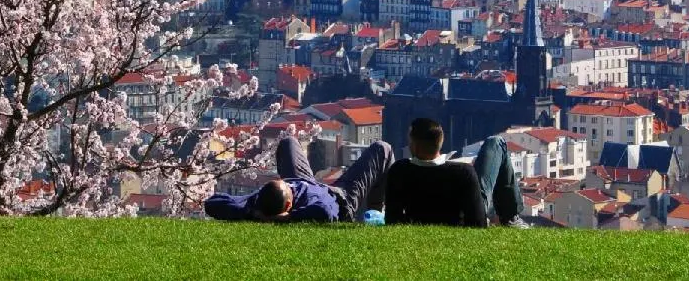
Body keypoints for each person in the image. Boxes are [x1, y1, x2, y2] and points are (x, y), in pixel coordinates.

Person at [204, 135, 393, 223]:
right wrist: (286, 219)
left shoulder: (253, 203)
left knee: (289, 142)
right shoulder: (315, 203)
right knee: (382, 149)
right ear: (288, 206)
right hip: (341, 197)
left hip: (302, 181)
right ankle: (376, 214)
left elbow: (212, 203)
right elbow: (325, 212)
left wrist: (253, 213)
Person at [384, 118, 527, 228]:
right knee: (496, 142)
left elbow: (392, 219)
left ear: (413, 145)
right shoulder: (462, 172)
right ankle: (510, 217)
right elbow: (478, 223)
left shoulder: (399, 170)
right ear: (441, 141)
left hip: (420, 216)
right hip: (466, 212)